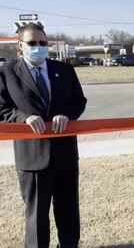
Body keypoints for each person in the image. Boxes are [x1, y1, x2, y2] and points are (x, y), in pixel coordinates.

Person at [0, 22, 87, 247]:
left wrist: (66, 114)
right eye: (32, 43)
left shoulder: (65, 70)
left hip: (65, 155)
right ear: (20, 46)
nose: (38, 47)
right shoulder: (7, 72)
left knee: (68, 211)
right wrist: (23, 118)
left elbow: (79, 101)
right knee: (37, 216)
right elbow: (2, 108)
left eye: (42, 43)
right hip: (32, 158)